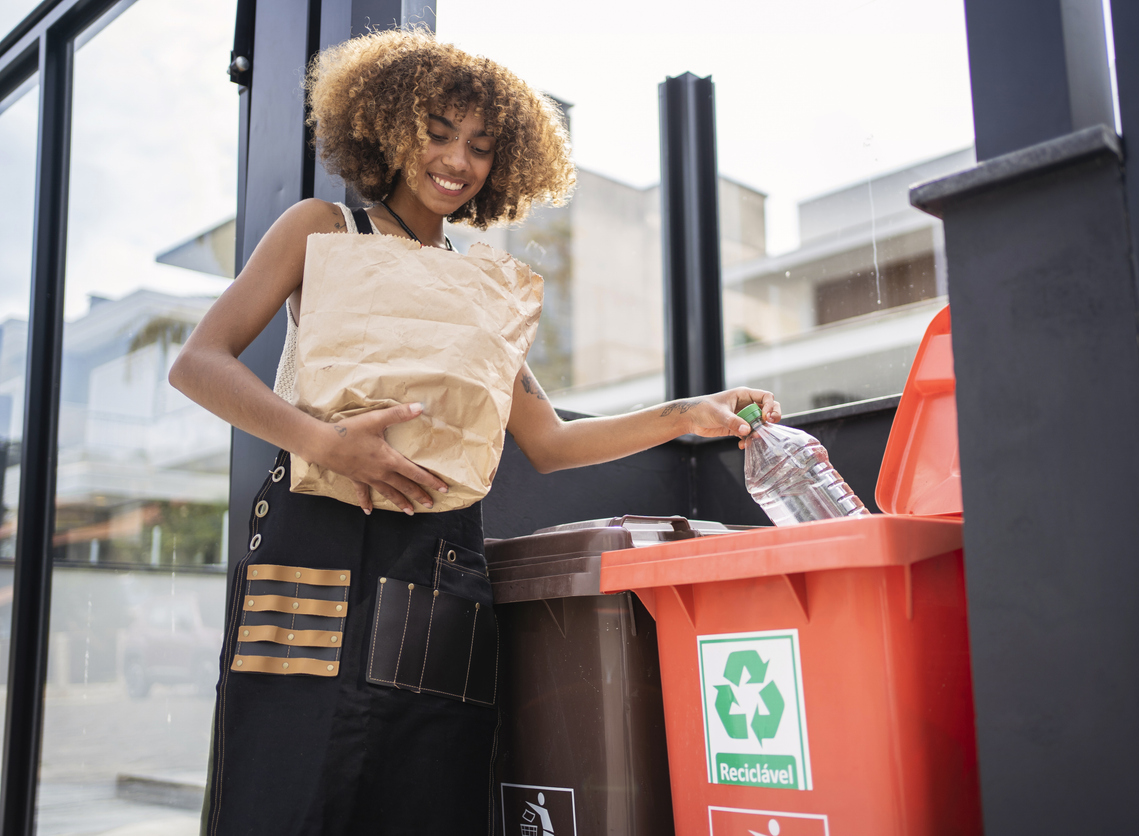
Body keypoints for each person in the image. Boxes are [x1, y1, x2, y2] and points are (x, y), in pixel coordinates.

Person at [171, 28, 781, 836]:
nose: (458, 161)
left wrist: (687, 414)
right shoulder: (321, 228)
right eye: (437, 132)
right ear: (388, 125)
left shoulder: (483, 284)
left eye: (482, 146)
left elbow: (550, 441)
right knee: (286, 792)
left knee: (426, 791)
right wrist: (326, 444)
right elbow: (199, 364)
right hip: (314, 552)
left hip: (438, 564)